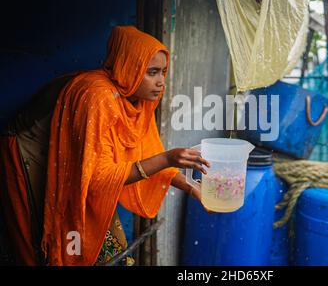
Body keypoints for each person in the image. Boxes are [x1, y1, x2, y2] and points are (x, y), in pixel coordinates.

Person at [0, 26, 211, 266]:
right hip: (29, 149)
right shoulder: (98, 96)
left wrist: (191, 187)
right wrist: (168, 159)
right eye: (151, 72)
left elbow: (147, 154)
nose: (161, 81)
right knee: (43, 236)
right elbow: (97, 178)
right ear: (129, 68)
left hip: (82, 160)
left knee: (97, 230)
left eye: (163, 71)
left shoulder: (137, 98)